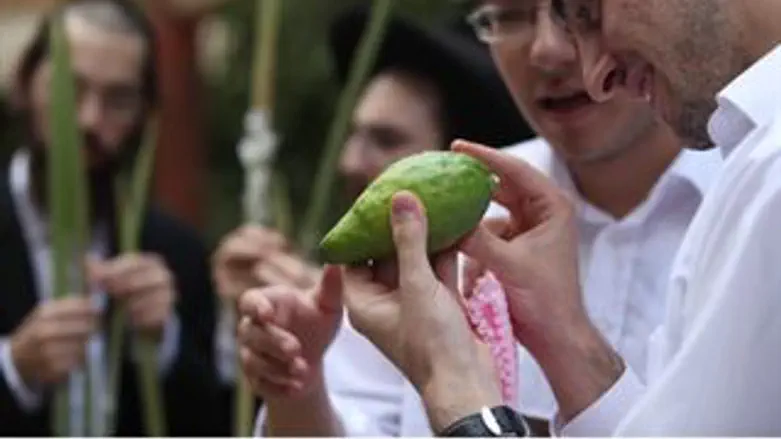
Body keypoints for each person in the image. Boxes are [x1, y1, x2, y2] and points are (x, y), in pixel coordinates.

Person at [234, 1, 724, 436]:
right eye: (508, 16)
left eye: (580, 9)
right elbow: (365, 419)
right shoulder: (437, 217)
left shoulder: (752, 203)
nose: (546, 51)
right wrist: (298, 385)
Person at [0, 0, 228, 435]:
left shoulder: (175, 251)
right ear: (25, 85)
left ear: (145, 115)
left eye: (119, 99)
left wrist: (163, 343)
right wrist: (15, 366)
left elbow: (213, 418)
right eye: (71, 90)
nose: (89, 120)